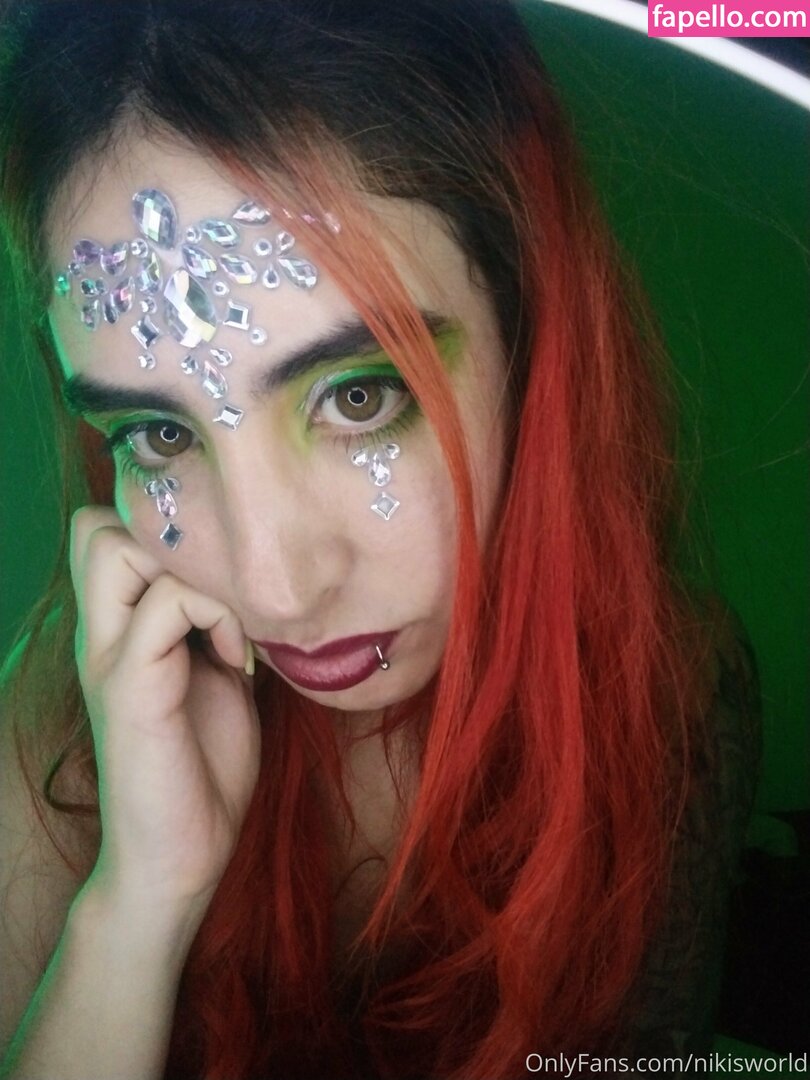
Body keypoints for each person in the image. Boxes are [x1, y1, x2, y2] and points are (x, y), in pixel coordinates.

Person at [0, 2, 762, 1078]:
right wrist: (138, 906)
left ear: (530, 329)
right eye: (159, 434)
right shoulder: (67, 719)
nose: (274, 590)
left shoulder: (679, 688)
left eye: (360, 395)